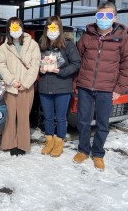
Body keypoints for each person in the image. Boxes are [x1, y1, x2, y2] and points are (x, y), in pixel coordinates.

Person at [73, 1, 128, 171]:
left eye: (108, 15)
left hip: (106, 89)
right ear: (96, 16)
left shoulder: (122, 38)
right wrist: (75, 83)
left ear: (114, 18)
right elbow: (77, 60)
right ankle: (83, 150)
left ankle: (98, 153)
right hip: (85, 86)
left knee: (102, 123)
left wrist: (119, 88)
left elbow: (127, 64)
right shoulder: (87, 36)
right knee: (83, 121)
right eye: (101, 15)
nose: (104, 19)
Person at [0, 17, 40, 156]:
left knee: (23, 116)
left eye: (18, 26)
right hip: (11, 87)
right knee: (9, 116)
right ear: (8, 29)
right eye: (12, 27)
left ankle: (22, 144)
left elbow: (35, 65)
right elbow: (0, 65)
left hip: (26, 87)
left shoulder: (32, 45)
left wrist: (26, 83)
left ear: (22, 27)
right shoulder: (4, 47)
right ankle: (9, 143)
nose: (16, 30)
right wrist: (11, 80)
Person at [38, 16, 81, 157]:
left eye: (55, 27)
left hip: (62, 87)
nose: (52, 30)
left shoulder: (68, 45)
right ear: (46, 29)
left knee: (61, 118)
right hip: (44, 87)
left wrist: (60, 71)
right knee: (48, 117)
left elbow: (76, 63)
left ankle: (59, 143)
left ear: (60, 29)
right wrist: (40, 68)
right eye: (50, 27)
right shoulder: (41, 45)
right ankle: (49, 141)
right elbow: (34, 62)